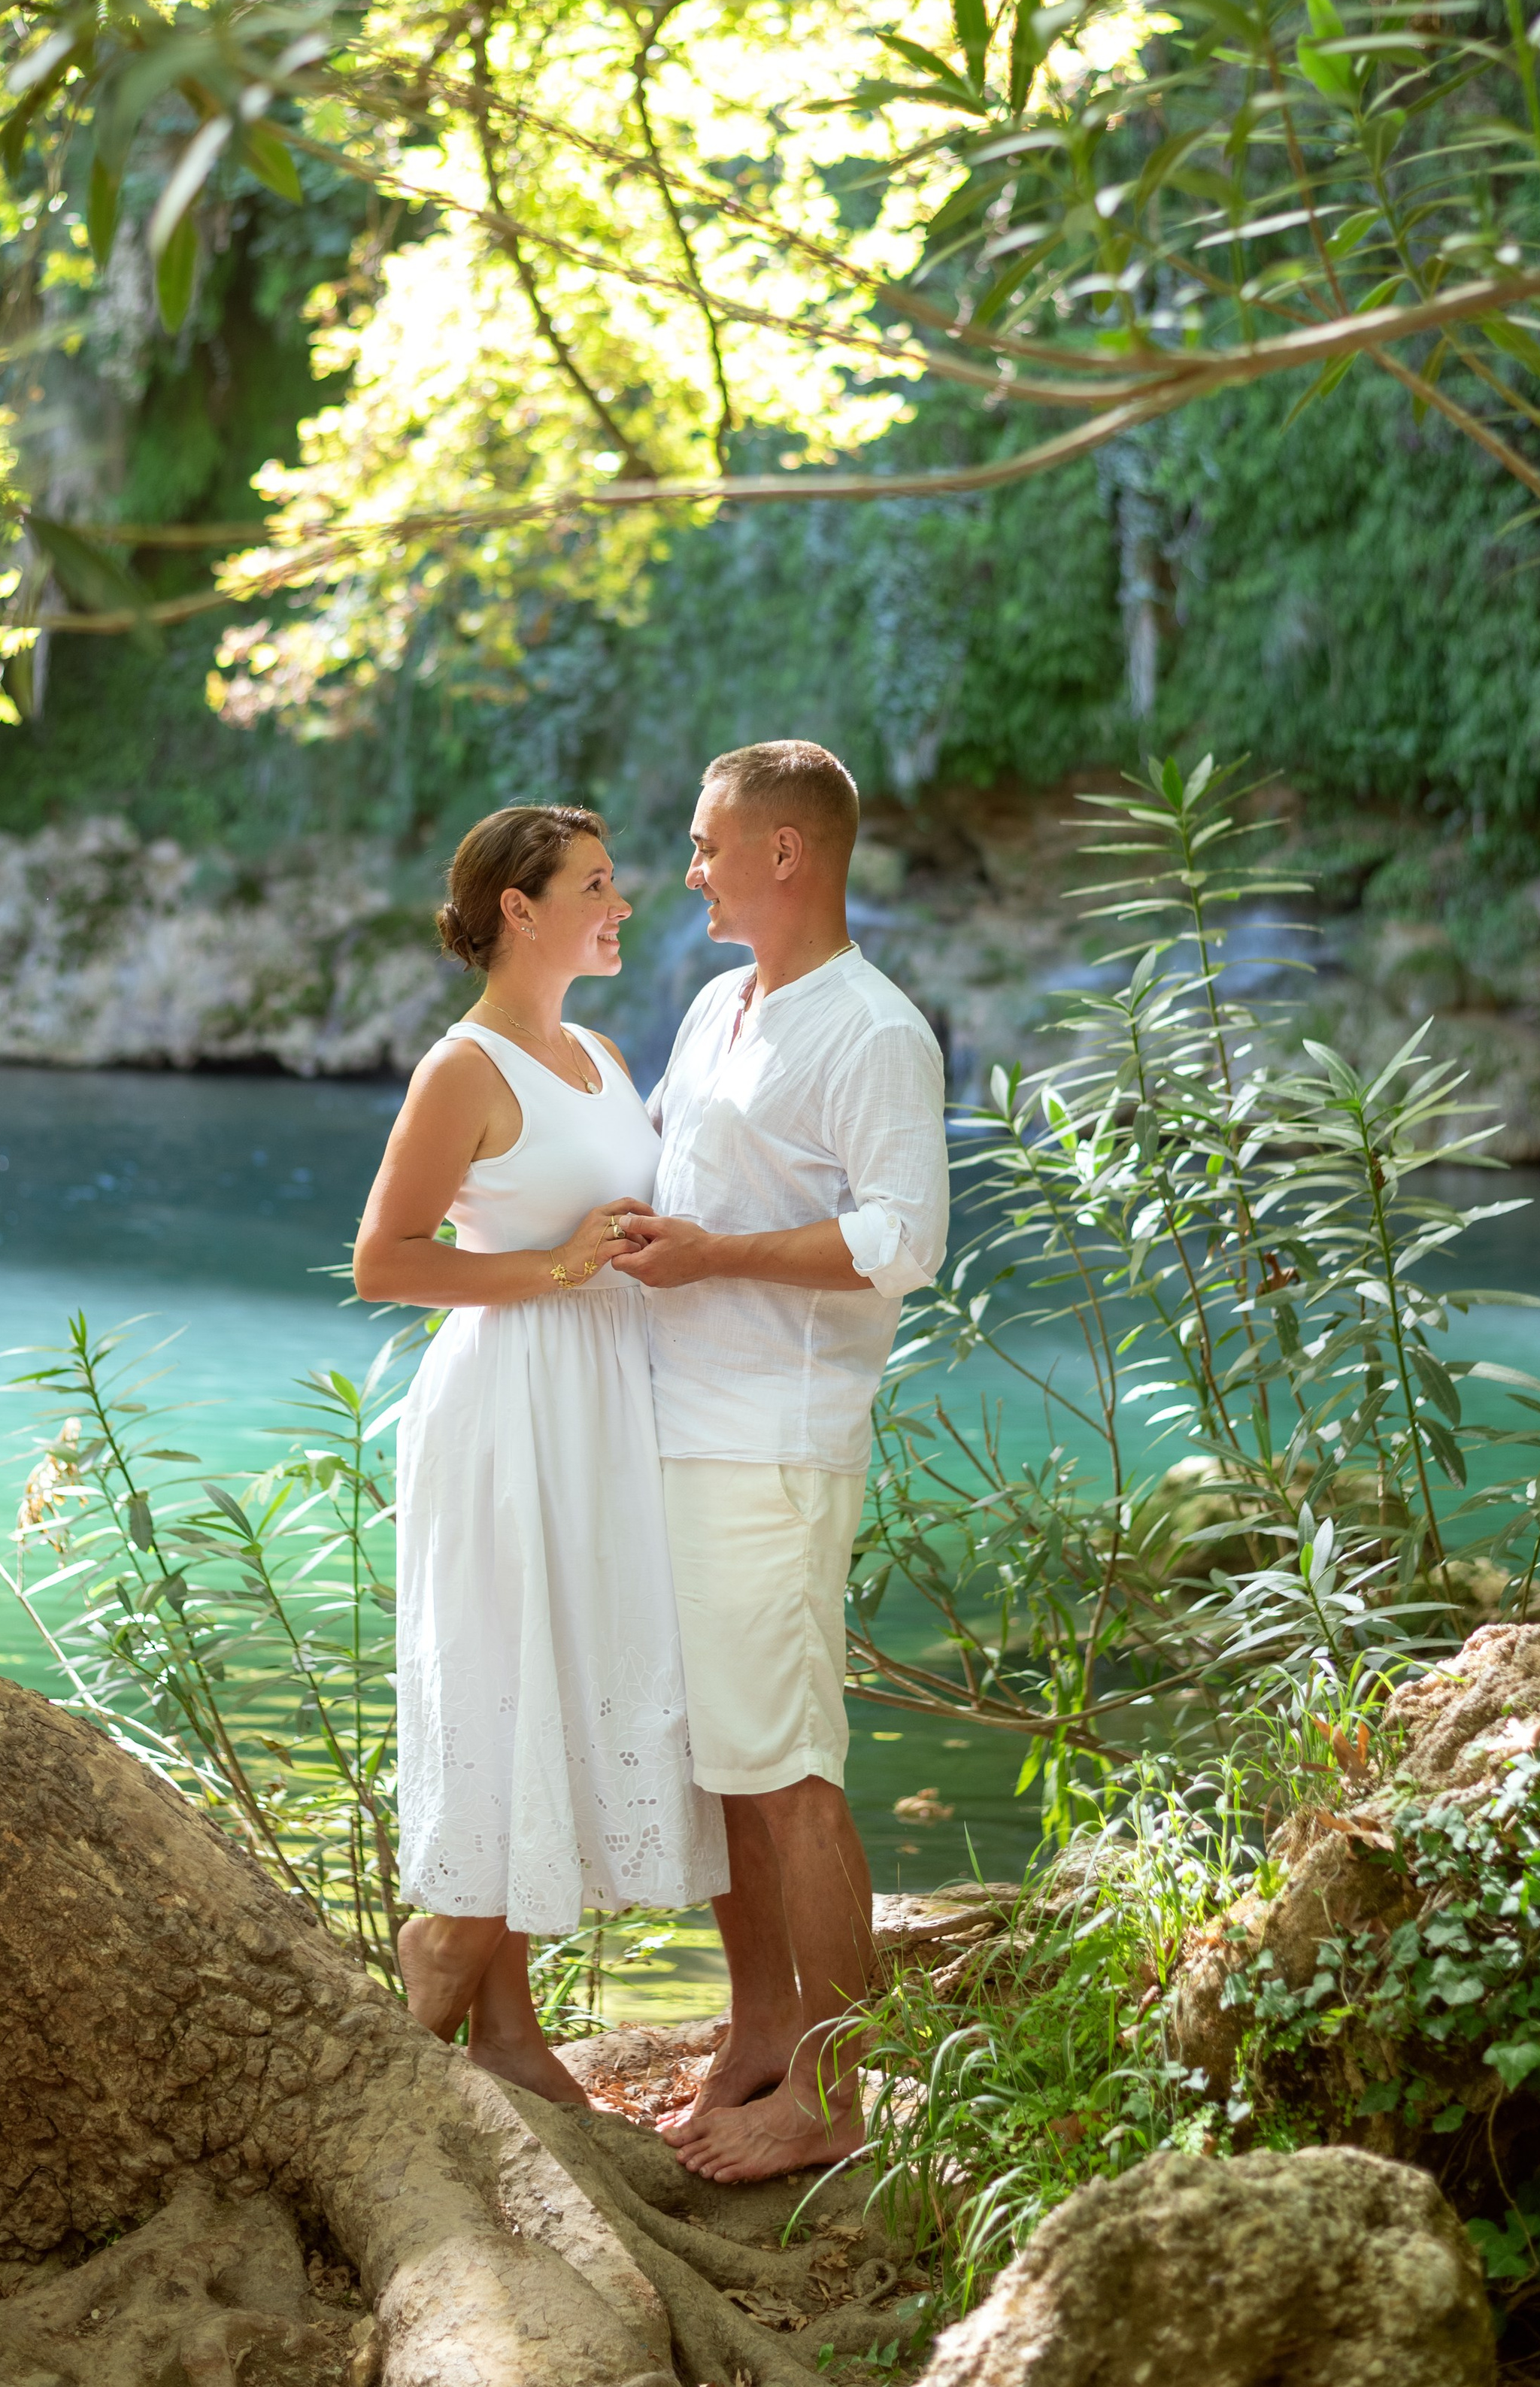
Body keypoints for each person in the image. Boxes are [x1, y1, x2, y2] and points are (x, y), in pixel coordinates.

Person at [614, 739, 950, 2183]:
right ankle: (759, 2037)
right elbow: (660, 1177)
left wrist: (719, 1260)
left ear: (787, 853)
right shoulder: (711, 1009)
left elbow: (902, 1241)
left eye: (706, 842)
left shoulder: (875, 1032)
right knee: (719, 1769)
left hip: (772, 1446)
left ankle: (839, 2091)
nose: (688, 867)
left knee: (789, 1768)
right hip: (672, 1428)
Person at [353, 803, 726, 2103]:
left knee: (570, 1679)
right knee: (506, 1672)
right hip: (508, 1401)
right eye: (597, 884)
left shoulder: (604, 1054)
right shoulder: (462, 1069)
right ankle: (444, 1967)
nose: (623, 903)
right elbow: (384, 1260)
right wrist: (558, 1265)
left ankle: (508, 2037)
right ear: (521, 908)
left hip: (609, 1399)